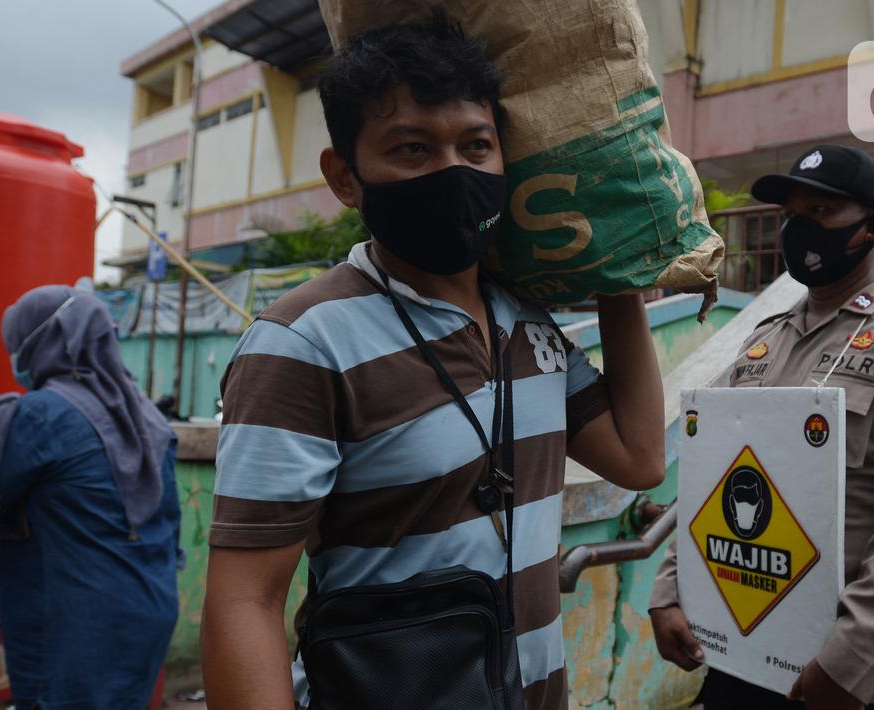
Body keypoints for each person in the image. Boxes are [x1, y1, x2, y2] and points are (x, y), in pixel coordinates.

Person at [201, 16, 665, 710]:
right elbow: (245, 600)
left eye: (475, 146)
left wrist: (618, 270)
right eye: (411, 149)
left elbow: (638, 458)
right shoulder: (304, 342)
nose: (453, 171)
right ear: (345, 177)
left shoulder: (526, 321)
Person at [649, 145, 874, 710]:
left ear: (870, 228)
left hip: (853, 677)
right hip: (741, 651)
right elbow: (712, 481)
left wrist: (844, 665)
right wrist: (670, 591)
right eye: (792, 216)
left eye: (819, 214)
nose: (798, 230)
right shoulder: (761, 342)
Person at [0, 285, 183, 709]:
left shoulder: (41, 414)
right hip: (146, 611)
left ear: (38, 343)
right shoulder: (145, 414)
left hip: (74, 628)